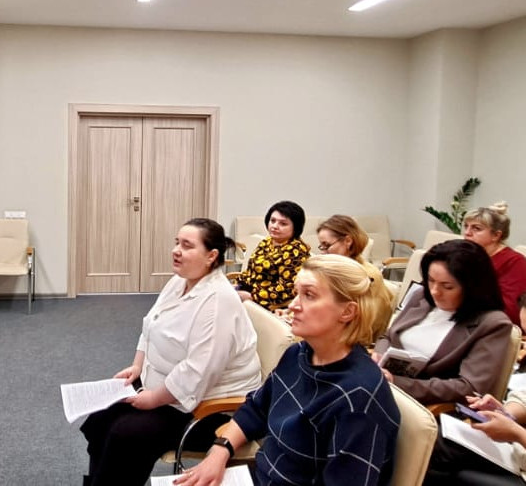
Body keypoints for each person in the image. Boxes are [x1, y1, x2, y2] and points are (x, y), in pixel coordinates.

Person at [175, 255, 399, 486]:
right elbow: (257, 408)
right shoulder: (299, 353)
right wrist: (219, 451)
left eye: (309, 295)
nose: (293, 305)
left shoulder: (359, 399)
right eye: (296, 293)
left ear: (347, 312)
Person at [81, 218, 261, 486]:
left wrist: (153, 399)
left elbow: (197, 372)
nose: (176, 250)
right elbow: (150, 326)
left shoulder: (218, 301)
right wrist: (137, 367)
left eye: (187, 246)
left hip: (208, 408)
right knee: (100, 419)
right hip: (166, 387)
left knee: (126, 435)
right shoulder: (179, 281)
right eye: (177, 243)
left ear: (211, 256)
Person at [374, 239, 513, 404]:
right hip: (383, 385)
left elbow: (469, 387)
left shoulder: (492, 324)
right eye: (431, 280)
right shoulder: (422, 296)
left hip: (424, 404)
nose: (434, 291)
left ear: (472, 287)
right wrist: (379, 356)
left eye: (447, 287)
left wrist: (397, 383)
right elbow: (388, 336)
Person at [423, 390, 526, 485]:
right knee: (432, 442)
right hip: (516, 452)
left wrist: (517, 432)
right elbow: (523, 398)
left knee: (460, 475)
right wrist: (504, 414)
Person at [236, 200, 310, 309]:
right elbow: (251, 271)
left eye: (283, 224)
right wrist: (237, 285)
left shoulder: (296, 251)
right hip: (248, 292)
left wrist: (252, 296)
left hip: (269, 302)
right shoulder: (267, 241)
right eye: (273, 221)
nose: (275, 226)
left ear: (295, 227)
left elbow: (287, 290)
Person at [463, 201, 526, 328]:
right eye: (466, 226)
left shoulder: (515, 261)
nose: (467, 233)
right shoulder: (466, 254)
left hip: (490, 326)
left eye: (476, 228)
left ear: (496, 235)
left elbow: (511, 311)